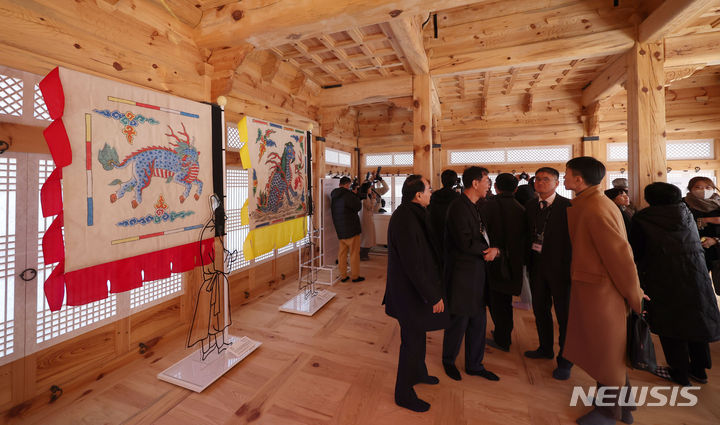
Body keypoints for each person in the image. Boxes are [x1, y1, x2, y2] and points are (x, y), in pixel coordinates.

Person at [563, 157, 644, 425]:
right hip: (596, 289)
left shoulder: (596, 207)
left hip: (603, 293)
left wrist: (635, 294)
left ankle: (609, 413)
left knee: (607, 353)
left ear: (579, 179)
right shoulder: (590, 203)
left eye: (567, 174)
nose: (564, 178)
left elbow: (620, 257)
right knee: (607, 352)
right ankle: (623, 407)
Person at [629, 182, 720, 386]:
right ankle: (699, 370)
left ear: (650, 199)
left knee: (670, 324)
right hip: (695, 274)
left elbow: (636, 251)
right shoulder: (686, 213)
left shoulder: (644, 219)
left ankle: (679, 372)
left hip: (663, 277)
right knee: (697, 319)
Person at [383, 175, 448, 412]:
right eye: (429, 189)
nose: (431, 192)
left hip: (413, 292)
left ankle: (419, 372)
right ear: (418, 195)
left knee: (418, 335)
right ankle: (403, 393)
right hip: (409, 293)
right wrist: (433, 295)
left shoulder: (413, 213)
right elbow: (414, 264)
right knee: (411, 342)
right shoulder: (405, 219)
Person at [442, 166, 500, 382]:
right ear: (475, 183)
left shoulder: (475, 206)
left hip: (478, 272)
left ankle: (475, 365)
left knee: (478, 321)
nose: (489, 185)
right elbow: (464, 242)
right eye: (486, 181)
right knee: (458, 321)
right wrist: (490, 251)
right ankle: (448, 361)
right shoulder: (458, 207)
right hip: (462, 275)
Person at [523, 167, 574, 380]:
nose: (540, 182)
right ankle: (545, 348)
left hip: (562, 269)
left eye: (546, 179)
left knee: (564, 315)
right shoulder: (530, 205)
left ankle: (565, 360)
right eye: (537, 179)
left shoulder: (568, 206)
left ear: (557, 183)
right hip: (537, 266)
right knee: (540, 309)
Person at [482, 173, 526, 352]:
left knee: (495, 302)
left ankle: (502, 339)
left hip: (491, 260)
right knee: (505, 302)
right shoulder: (521, 209)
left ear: (496, 187)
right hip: (513, 262)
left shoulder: (487, 206)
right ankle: (504, 335)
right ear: (515, 189)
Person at [683, 176, 720, 294]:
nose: (704, 190)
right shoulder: (683, 205)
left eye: (708, 187)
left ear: (713, 189)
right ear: (690, 189)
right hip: (692, 251)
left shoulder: (718, 203)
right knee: (696, 289)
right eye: (698, 187)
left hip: (717, 251)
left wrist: (715, 240)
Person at [330, 176, 364, 282]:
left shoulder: (334, 196)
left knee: (342, 254)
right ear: (347, 184)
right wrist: (355, 195)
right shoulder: (348, 195)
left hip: (340, 230)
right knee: (354, 254)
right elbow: (358, 206)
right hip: (351, 229)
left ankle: (343, 276)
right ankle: (355, 276)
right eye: (349, 185)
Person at [429, 169, 461, 249]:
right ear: (455, 182)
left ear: (442, 180)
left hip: (435, 233)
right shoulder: (457, 197)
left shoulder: (434, 195)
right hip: (452, 236)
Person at [360, 174, 389, 260]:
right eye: (370, 183)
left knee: (370, 236)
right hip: (368, 216)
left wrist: (381, 180)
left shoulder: (376, 191)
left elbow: (386, 188)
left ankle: (365, 253)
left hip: (374, 214)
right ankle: (364, 254)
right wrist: (373, 199)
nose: (372, 185)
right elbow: (368, 206)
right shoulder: (363, 195)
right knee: (367, 236)